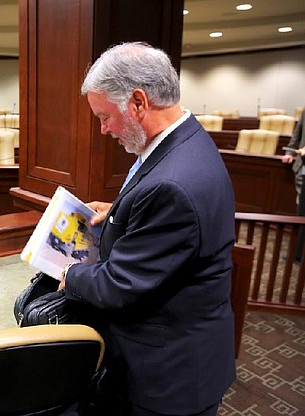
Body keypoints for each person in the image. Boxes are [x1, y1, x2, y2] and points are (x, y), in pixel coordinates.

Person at [58, 42, 236, 416]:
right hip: (184, 354)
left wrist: (70, 274)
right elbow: (165, 219)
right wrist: (119, 212)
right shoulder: (183, 139)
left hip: (168, 378)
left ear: (138, 102)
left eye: (105, 117)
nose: (104, 130)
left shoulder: (173, 184)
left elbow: (120, 286)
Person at [281, 109, 305, 262]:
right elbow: (298, 132)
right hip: (303, 168)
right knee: (301, 211)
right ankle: (298, 252)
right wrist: (290, 151)